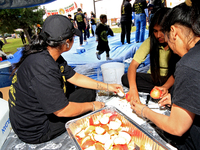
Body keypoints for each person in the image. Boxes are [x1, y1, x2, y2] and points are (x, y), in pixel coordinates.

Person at [8, 15, 123, 144]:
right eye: (73, 37)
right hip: (36, 130)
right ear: (66, 42)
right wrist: (92, 106)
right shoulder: (43, 67)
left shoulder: (48, 53)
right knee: (87, 106)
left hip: (32, 114)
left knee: (88, 91)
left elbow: (75, 77)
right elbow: (62, 111)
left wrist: (108, 86)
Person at [132, 2, 200, 149]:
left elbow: (177, 127)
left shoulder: (187, 64)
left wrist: (144, 111)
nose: (172, 50)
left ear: (173, 31)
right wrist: (177, 97)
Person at [121, 8, 180, 104]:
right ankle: (159, 91)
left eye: (162, 31)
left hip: (172, 79)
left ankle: (163, 91)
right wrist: (133, 89)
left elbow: (177, 73)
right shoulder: (151, 41)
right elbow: (133, 65)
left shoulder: (177, 44)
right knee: (125, 78)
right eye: (155, 31)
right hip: (154, 78)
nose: (158, 35)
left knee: (182, 86)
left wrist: (165, 87)